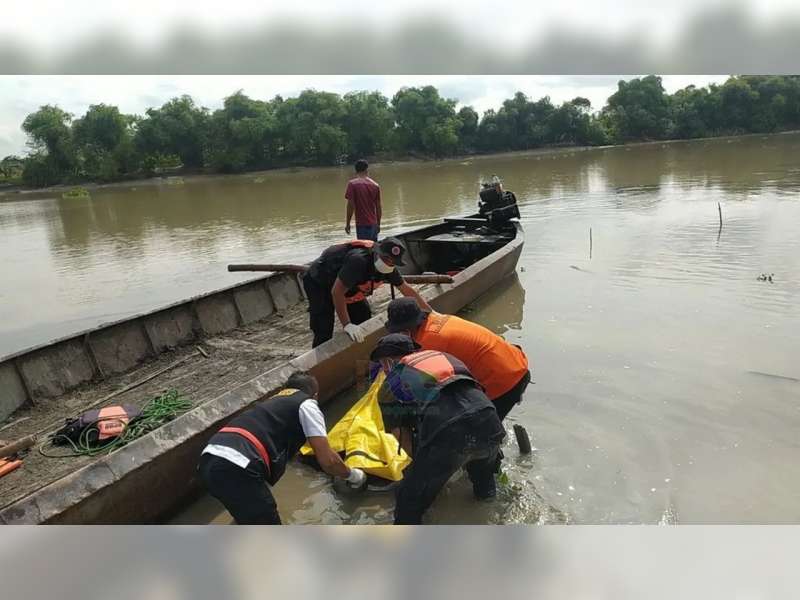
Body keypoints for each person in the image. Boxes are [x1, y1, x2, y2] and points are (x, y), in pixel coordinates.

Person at [370, 334, 506, 524]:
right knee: (484, 481)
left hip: (449, 431)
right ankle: (491, 513)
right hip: (490, 420)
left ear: (387, 362)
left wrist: (421, 473)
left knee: (408, 500)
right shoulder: (444, 357)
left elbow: (403, 438)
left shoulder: (392, 383)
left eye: (381, 364)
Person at [198, 371, 366, 524]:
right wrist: (354, 476)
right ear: (314, 395)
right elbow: (328, 461)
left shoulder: (272, 404)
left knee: (247, 519)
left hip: (208, 461)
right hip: (238, 464)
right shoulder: (307, 404)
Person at [384, 297, 531, 421]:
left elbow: (424, 389)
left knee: (477, 434)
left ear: (407, 330)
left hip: (503, 382)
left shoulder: (428, 341)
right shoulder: (438, 318)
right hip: (516, 363)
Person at [302, 237, 431, 348]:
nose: (388, 264)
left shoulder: (389, 269)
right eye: (386, 259)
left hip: (349, 284)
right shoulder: (358, 261)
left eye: (393, 262)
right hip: (320, 282)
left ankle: (360, 352)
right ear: (377, 253)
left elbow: (406, 289)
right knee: (323, 326)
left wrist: (430, 312)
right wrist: (347, 324)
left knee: (363, 317)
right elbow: (337, 292)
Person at [345, 159, 381, 241]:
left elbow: (350, 206)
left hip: (362, 225)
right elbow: (378, 207)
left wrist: (348, 224)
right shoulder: (375, 185)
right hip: (373, 224)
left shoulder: (352, 184)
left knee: (364, 250)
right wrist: (378, 224)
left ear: (356, 171)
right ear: (367, 169)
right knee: (373, 249)